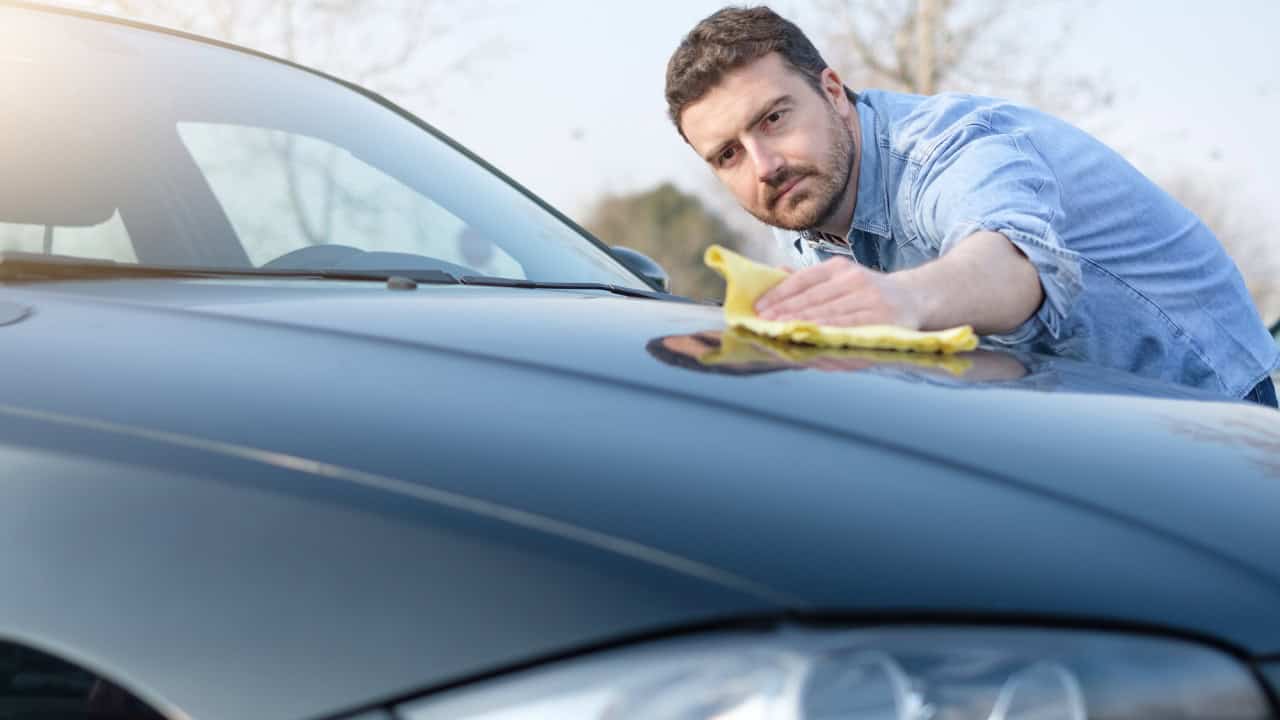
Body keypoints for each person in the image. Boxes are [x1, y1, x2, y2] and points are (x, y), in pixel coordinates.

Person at [664, 6, 1279, 407]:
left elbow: (1014, 265)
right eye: (727, 156)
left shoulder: (949, 148)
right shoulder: (803, 208)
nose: (764, 164)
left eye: (773, 118)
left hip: (1206, 408)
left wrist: (903, 299)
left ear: (832, 91)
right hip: (1067, 419)